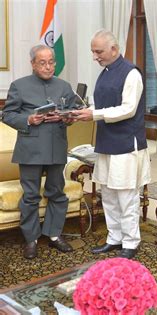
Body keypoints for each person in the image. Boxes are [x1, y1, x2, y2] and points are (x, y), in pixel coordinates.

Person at [73, 29, 151, 259]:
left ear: (114, 49)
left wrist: (94, 114)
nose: (95, 56)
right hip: (106, 143)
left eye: (98, 51)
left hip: (127, 144)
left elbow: (128, 109)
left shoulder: (131, 73)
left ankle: (130, 242)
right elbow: (101, 104)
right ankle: (114, 238)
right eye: (93, 52)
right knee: (107, 193)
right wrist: (88, 111)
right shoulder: (105, 72)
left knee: (126, 195)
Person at [2, 45, 75, 259]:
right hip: (31, 149)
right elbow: (7, 115)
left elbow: (72, 116)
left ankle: (54, 235)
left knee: (57, 193)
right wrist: (28, 119)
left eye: (51, 62)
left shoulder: (64, 86)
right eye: (42, 62)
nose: (48, 66)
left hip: (56, 148)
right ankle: (31, 239)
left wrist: (64, 117)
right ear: (33, 64)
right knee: (31, 196)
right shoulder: (19, 86)